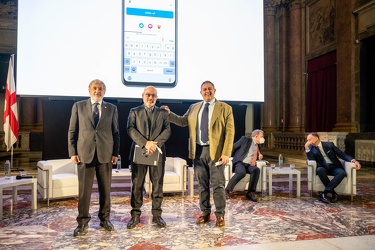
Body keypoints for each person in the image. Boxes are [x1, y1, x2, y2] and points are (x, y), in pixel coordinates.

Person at [162, 80, 234, 227]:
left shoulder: (225, 108)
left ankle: (220, 215)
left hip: (217, 153)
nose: (207, 91)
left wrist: (226, 153)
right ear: (200, 92)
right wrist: (169, 114)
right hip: (198, 151)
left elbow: (230, 132)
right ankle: (205, 213)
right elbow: (182, 121)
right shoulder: (194, 108)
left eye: (210, 89)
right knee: (202, 185)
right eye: (204, 90)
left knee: (218, 185)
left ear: (215, 91)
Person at [68, 79, 120, 237]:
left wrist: (115, 153)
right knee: (84, 192)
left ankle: (105, 219)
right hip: (85, 155)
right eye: (95, 88)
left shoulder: (111, 108)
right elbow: (72, 131)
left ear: (105, 91)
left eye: (101, 89)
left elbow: (116, 132)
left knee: (106, 190)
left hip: (105, 155)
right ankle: (82, 222)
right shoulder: (78, 106)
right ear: (89, 90)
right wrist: (72, 152)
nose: (98, 91)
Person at [126, 86, 171, 229]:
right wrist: (146, 143)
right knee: (137, 185)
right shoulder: (134, 111)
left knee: (158, 187)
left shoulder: (163, 113)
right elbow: (130, 129)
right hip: (139, 153)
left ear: (156, 98)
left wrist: (154, 144)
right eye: (148, 95)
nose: (150, 98)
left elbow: (167, 130)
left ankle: (157, 216)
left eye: (153, 95)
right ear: (142, 96)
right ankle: (135, 215)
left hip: (157, 153)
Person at [305, 133, 361, 203]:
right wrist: (307, 148)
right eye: (307, 140)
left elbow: (342, 154)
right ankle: (333, 193)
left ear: (316, 138)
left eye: (309, 139)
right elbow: (311, 159)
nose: (308, 141)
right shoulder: (311, 148)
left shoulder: (329, 145)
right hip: (323, 167)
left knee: (342, 173)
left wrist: (354, 161)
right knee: (319, 170)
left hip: (334, 166)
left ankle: (324, 193)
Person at [225, 129, 265, 202]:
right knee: (241, 172)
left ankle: (250, 193)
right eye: (261, 136)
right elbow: (233, 147)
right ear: (256, 136)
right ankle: (227, 190)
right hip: (239, 162)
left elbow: (255, 156)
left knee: (256, 170)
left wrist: (260, 155)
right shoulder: (245, 140)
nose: (263, 138)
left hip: (249, 165)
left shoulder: (257, 147)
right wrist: (228, 157)